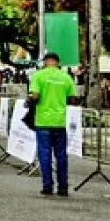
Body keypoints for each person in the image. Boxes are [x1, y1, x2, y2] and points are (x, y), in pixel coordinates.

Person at [28, 52, 76, 197]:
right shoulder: (66, 77)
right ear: (57, 62)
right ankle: (63, 187)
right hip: (59, 121)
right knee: (61, 156)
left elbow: (35, 95)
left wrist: (30, 99)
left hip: (43, 121)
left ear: (45, 61)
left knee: (45, 155)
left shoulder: (38, 76)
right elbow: (73, 99)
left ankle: (47, 186)